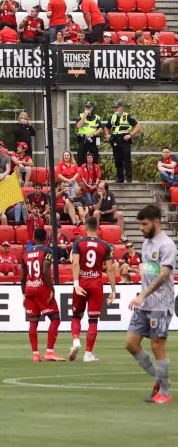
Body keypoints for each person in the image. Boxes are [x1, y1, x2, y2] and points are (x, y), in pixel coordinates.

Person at [127, 204, 176, 402]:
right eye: (140, 224)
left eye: (144, 224)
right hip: (144, 303)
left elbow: (164, 275)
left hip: (160, 304)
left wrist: (142, 294)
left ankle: (164, 393)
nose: (141, 228)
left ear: (156, 222)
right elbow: (150, 271)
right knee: (131, 343)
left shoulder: (167, 245)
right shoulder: (146, 244)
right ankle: (160, 378)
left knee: (158, 346)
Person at [69, 216, 118, 362]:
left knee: (77, 315)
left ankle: (76, 340)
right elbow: (109, 269)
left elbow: (75, 264)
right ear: (98, 228)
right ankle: (88, 354)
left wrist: (76, 284)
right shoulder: (105, 246)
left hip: (82, 283)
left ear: (85, 227)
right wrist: (113, 290)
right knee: (93, 320)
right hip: (96, 284)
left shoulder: (78, 243)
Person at [19, 228, 63, 362]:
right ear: (46, 238)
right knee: (55, 318)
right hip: (41, 288)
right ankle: (49, 351)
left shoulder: (25, 254)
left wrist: (23, 295)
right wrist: (52, 289)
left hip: (29, 289)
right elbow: (45, 269)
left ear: (33, 237)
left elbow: (22, 278)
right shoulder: (47, 251)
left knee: (33, 322)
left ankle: (35, 354)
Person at [109, 99, 138, 184]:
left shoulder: (127, 116)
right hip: (115, 142)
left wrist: (130, 135)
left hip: (125, 142)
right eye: (115, 108)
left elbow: (137, 127)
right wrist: (107, 134)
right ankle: (120, 179)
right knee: (117, 161)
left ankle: (129, 179)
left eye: (117, 108)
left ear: (121, 108)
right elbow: (106, 127)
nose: (115, 110)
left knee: (127, 160)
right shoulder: (112, 117)